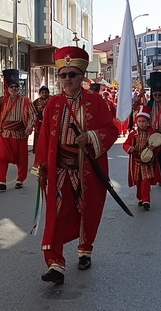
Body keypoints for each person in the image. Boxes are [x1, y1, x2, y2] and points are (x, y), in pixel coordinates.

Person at [33, 46, 119, 285]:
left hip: (87, 169)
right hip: (60, 169)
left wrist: (90, 137)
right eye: (63, 75)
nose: (67, 79)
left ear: (82, 76)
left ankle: (85, 250)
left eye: (72, 74)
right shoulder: (52, 104)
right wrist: (41, 166)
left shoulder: (96, 102)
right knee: (57, 215)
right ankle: (55, 264)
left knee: (87, 211)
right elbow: (45, 138)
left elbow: (112, 130)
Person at [0, 69, 37, 191]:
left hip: (20, 134)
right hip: (5, 134)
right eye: (11, 86)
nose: (13, 88)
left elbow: (33, 115)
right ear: (7, 88)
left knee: (21, 159)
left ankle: (20, 180)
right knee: (2, 157)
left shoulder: (26, 101)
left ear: (19, 87)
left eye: (16, 86)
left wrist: (29, 126)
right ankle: (1, 182)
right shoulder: (1, 100)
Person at [123, 105, 161, 211]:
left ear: (148, 122)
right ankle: (140, 198)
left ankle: (146, 200)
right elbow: (125, 144)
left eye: (143, 121)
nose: (141, 124)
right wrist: (130, 148)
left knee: (146, 181)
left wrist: (154, 148)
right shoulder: (133, 134)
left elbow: (158, 146)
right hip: (136, 162)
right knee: (138, 181)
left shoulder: (153, 133)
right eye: (139, 121)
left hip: (148, 163)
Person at [32, 86, 50, 154]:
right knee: (39, 140)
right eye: (43, 92)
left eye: (46, 92)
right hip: (40, 125)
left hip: (49, 124)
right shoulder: (36, 102)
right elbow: (32, 113)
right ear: (40, 93)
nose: (44, 94)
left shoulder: (52, 100)